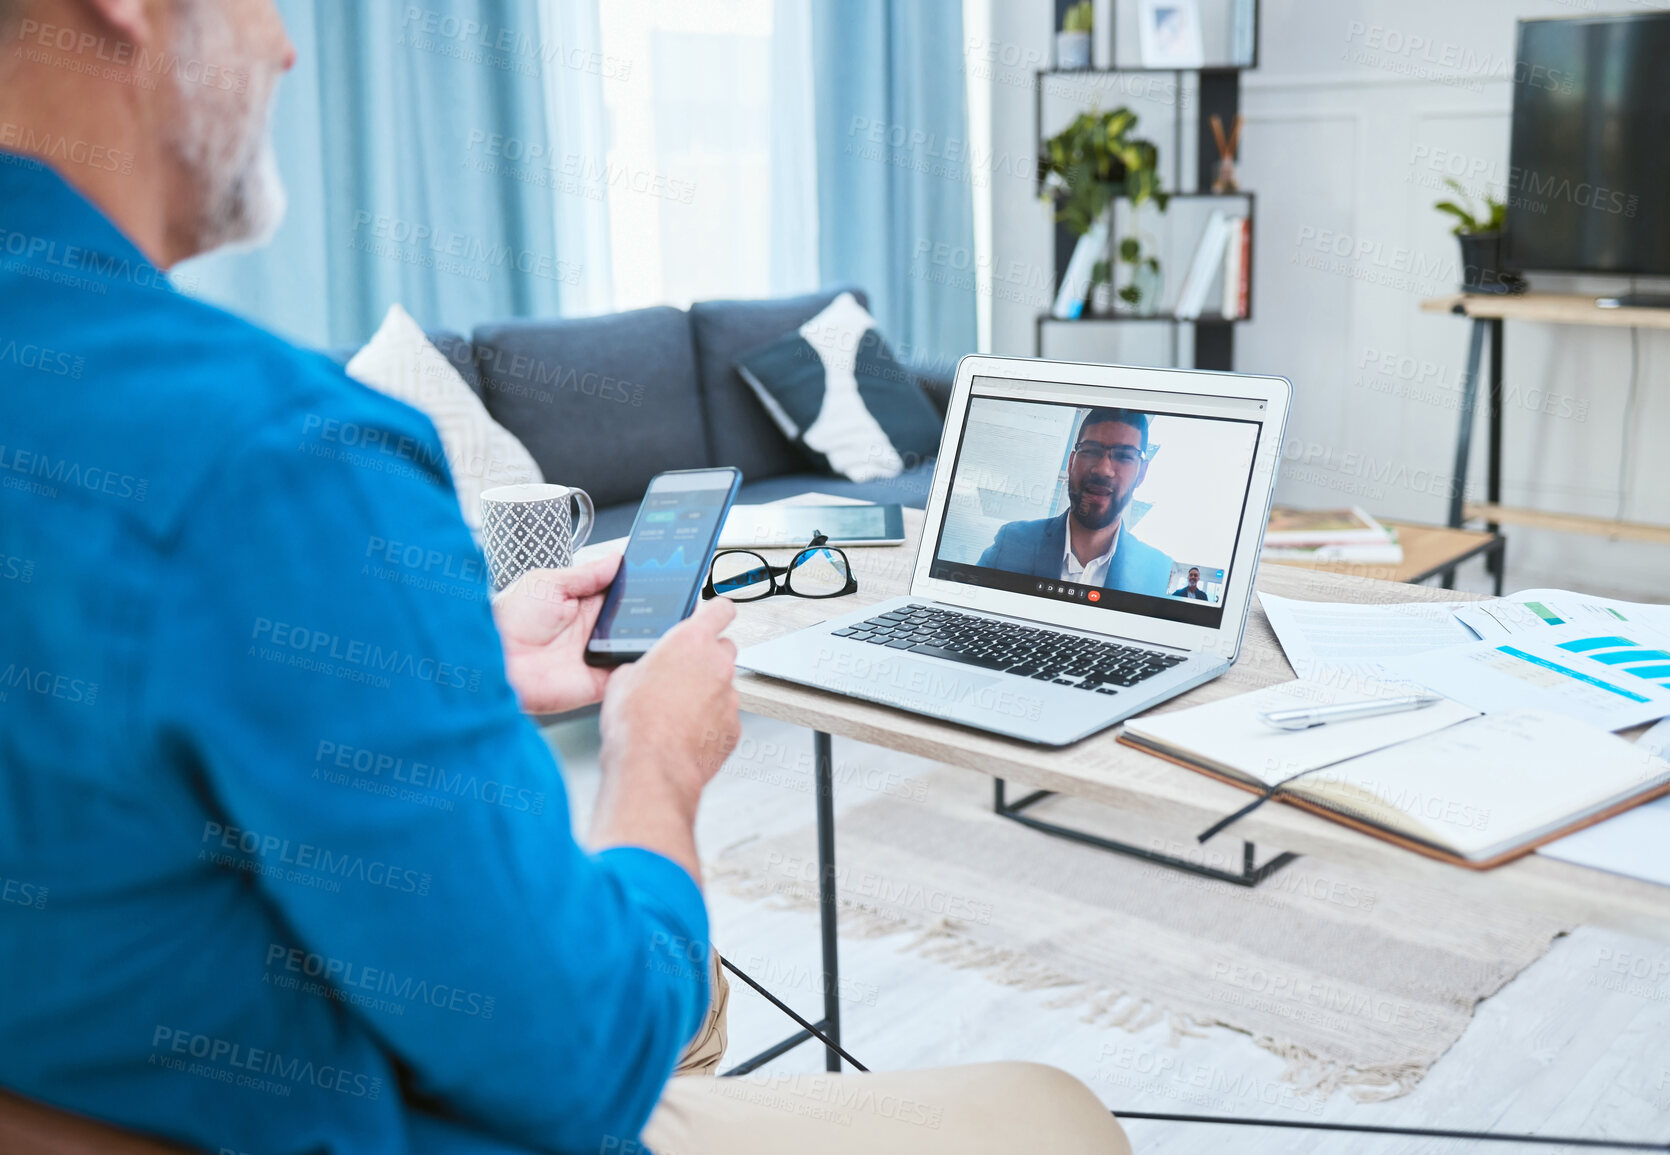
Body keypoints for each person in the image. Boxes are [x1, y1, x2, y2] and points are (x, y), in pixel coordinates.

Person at [0, 0, 1131, 1152]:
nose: (290, 45)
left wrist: (448, 668)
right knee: (1056, 1113)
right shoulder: (278, 453)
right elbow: (575, 1054)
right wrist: (656, 770)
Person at [977, 408, 1173, 595]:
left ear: (1142, 473)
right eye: (1090, 451)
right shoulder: (1012, 543)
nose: (1103, 469)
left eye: (1123, 456)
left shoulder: (1156, 572)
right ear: (1071, 462)